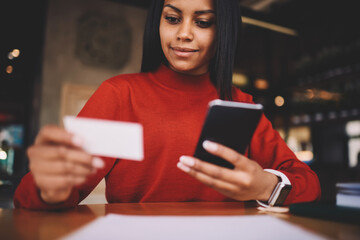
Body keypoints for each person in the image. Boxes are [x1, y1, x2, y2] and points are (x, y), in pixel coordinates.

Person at [14, 0, 321, 210]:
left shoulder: (239, 103)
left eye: (202, 22)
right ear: (157, 22)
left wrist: (266, 187)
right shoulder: (121, 96)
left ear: (223, 31)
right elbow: (33, 198)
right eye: (172, 18)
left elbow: (308, 184)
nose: (183, 33)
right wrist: (50, 189)